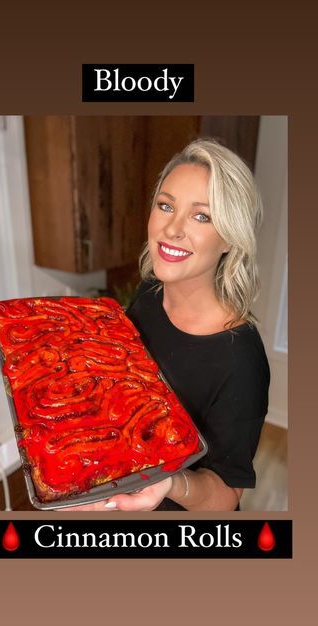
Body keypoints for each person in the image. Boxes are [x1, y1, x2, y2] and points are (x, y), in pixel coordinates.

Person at [63, 138, 270, 512]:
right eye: (166, 205)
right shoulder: (150, 291)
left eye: (201, 215)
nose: (171, 228)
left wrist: (167, 481)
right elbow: (127, 375)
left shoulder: (240, 358)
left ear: (230, 239)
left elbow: (225, 497)